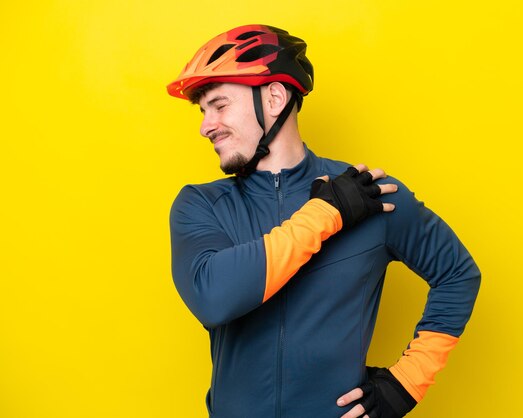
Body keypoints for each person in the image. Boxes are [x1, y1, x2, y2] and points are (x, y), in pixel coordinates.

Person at [167, 24, 480, 418]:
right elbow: (214, 297)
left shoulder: (371, 196)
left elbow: (457, 274)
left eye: (219, 105)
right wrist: (325, 213)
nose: (205, 125)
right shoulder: (201, 205)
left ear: (276, 97)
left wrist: (407, 383)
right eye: (203, 110)